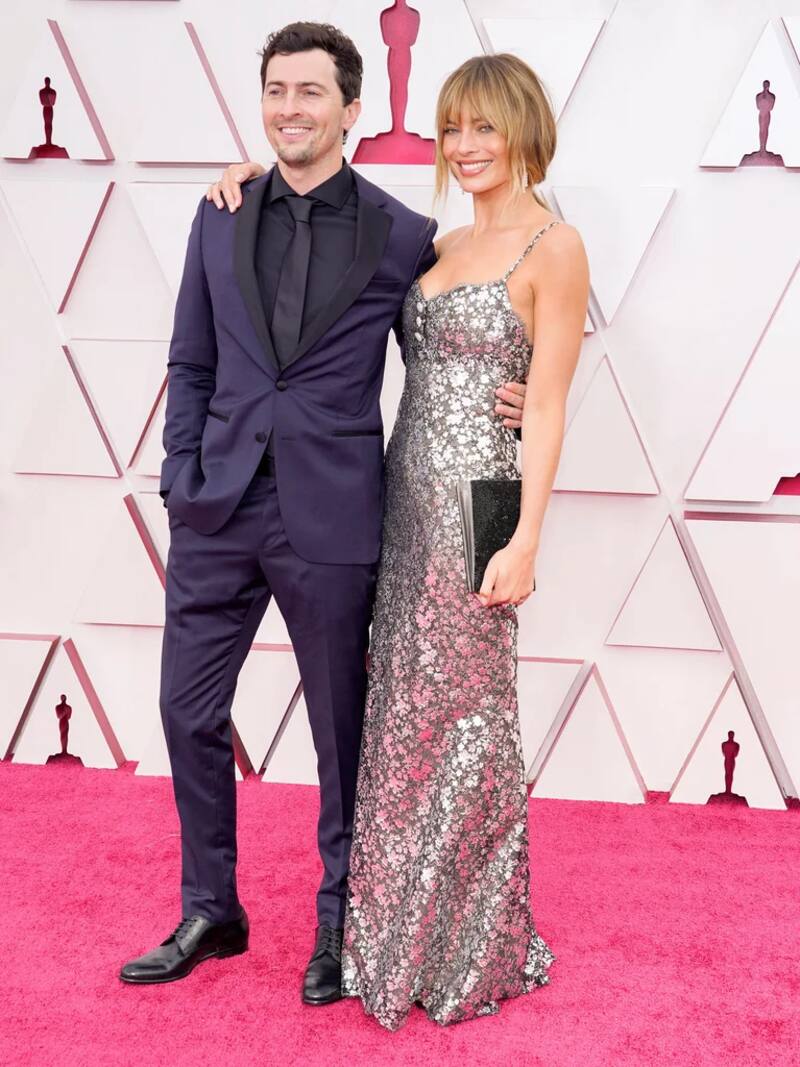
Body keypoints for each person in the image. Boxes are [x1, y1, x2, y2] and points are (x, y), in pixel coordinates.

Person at [118, 22, 528, 999]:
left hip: (335, 514)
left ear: (352, 110)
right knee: (184, 709)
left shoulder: (403, 235)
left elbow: (447, 350)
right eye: (276, 90)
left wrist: (514, 397)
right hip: (217, 506)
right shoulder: (219, 213)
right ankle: (210, 907)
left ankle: (342, 924)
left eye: (310, 92)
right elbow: (190, 359)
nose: (289, 108)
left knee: (342, 733)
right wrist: (180, 479)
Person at [217, 49, 589, 1029]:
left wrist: (526, 538)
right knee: (403, 718)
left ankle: (468, 943)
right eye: (450, 128)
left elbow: (548, 404)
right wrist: (256, 179)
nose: (463, 146)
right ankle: (392, 932)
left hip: (484, 504)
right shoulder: (433, 244)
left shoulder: (554, 245)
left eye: (483, 127)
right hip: (400, 498)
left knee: (469, 718)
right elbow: (328, 235)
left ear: (523, 131)